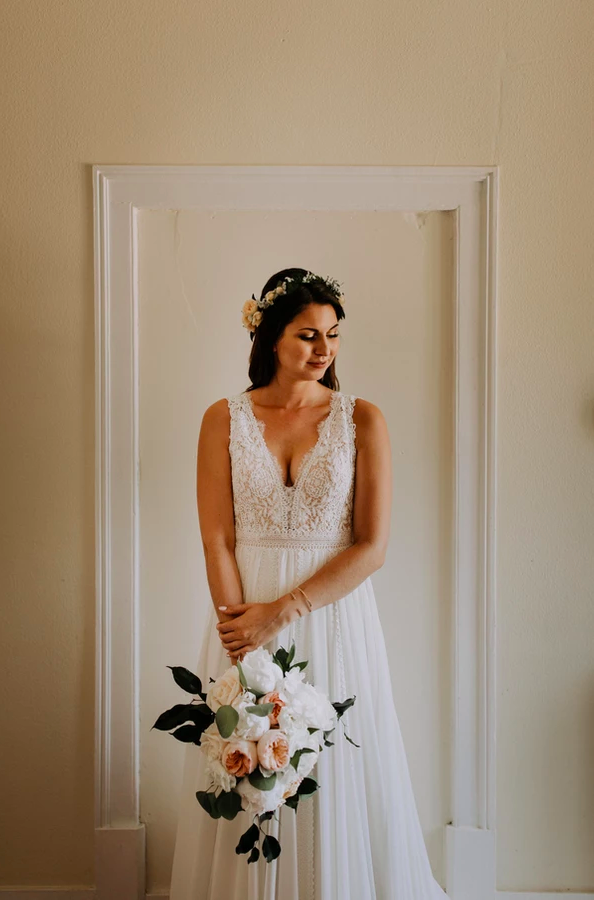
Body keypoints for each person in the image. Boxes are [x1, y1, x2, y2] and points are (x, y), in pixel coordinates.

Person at [169, 268, 449, 899]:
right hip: (244, 621)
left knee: (337, 765)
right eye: (308, 335)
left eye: (334, 334)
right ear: (270, 337)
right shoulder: (223, 419)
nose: (326, 349)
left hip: (334, 621)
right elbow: (217, 539)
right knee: (250, 755)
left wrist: (285, 610)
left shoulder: (362, 420)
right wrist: (240, 638)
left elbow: (371, 547)